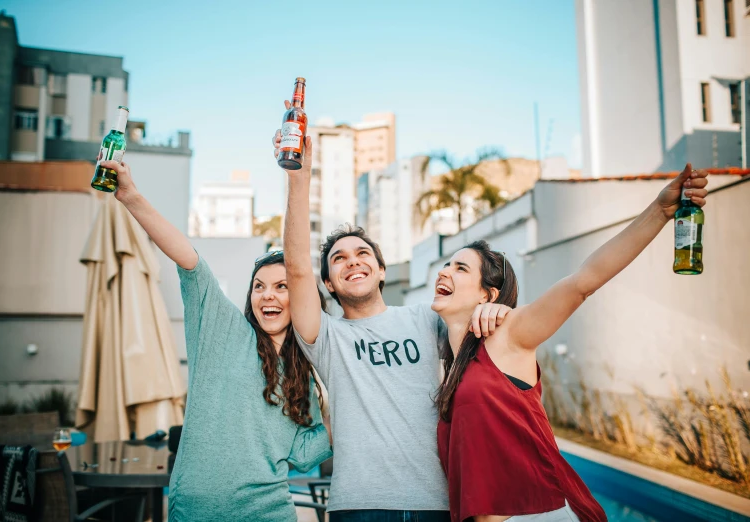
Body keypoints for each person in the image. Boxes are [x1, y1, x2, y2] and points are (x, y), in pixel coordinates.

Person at [273, 108, 512, 522]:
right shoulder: (326, 337)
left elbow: (480, 335)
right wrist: (298, 180)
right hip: (359, 506)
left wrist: (494, 310)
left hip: (436, 504)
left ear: (381, 270)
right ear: (328, 283)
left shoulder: (425, 318)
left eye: (363, 253)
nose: (353, 262)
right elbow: (296, 269)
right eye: (338, 259)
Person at [433, 164, 709, 522]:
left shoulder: (508, 334)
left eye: (460, 268)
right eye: (446, 264)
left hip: (539, 514)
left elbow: (584, 282)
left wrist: (659, 210)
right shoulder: (448, 364)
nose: (443, 271)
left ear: (489, 294)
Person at [101, 157, 333, 522]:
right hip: (195, 511)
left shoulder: (306, 370)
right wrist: (131, 196)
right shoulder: (222, 331)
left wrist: (337, 419)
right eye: (259, 287)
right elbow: (191, 263)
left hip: (270, 513)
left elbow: (303, 453)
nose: (267, 296)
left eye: (281, 287)